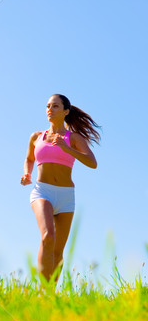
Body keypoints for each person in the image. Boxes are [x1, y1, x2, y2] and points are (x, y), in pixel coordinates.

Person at [20, 94, 101, 283]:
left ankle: (50, 295)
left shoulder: (73, 138)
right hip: (42, 191)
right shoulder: (36, 137)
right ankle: (42, 291)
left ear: (66, 111)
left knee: (58, 251)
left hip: (66, 196)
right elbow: (29, 158)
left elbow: (92, 162)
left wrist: (68, 149)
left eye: (55, 106)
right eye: (48, 106)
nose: (50, 109)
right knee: (48, 237)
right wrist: (27, 173)